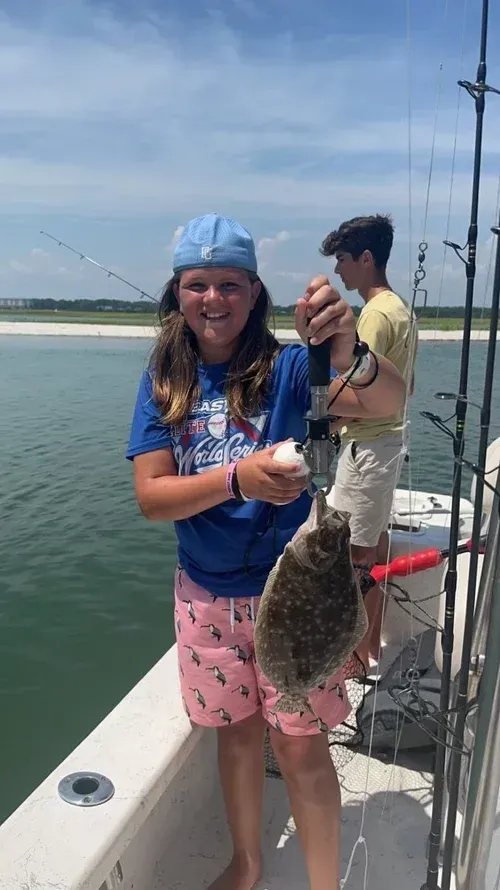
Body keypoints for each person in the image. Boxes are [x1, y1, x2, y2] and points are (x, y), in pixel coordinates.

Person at [126, 212, 406, 890]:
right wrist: (236, 477)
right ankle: (248, 863)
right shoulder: (164, 382)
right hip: (205, 600)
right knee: (239, 736)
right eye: (198, 285)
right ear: (178, 293)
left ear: (255, 294)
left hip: (295, 593)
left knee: (301, 744)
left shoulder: (288, 374)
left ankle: (321, 885)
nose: (213, 299)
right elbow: (151, 495)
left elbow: (391, 397)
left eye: (230, 284)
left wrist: (345, 347)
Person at [320, 213, 418, 667]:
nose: (339, 271)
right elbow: (402, 389)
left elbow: (354, 391)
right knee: (373, 550)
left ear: (366, 258)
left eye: (342, 259)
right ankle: (368, 649)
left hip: (367, 450)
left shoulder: (375, 316)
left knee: (357, 562)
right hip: (385, 445)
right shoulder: (400, 308)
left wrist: (321, 418)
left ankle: (356, 661)